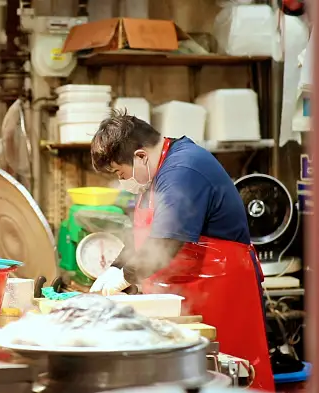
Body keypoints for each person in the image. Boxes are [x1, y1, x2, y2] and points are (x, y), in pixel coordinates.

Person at [88, 111, 274, 392]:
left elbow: (165, 242)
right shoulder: (156, 170)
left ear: (140, 156)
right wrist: (115, 267)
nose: (122, 181)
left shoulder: (181, 171)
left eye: (119, 172)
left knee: (231, 377)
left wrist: (124, 277)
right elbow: (143, 237)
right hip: (193, 295)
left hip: (223, 293)